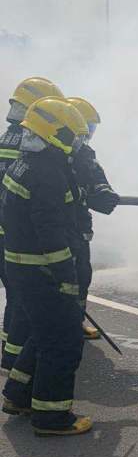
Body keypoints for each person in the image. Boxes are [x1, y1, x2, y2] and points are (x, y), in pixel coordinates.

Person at [2, 97, 92, 435]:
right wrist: (66, 277)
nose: (77, 143)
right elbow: (52, 234)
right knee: (63, 341)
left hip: (23, 269)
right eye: (72, 136)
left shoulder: (24, 162)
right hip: (42, 272)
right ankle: (52, 417)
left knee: (42, 335)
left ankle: (18, 395)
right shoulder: (48, 173)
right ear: (56, 134)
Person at [0, 77, 65, 371]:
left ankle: (10, 352)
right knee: (21, 300)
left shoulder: (8, 137)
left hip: (7, 227)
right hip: (16, 234)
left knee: (16, 297)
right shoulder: (31, 148)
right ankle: (13, 358)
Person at [66, 97, 119, 338]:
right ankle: (59, 325)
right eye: (85, 127)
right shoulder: (55, 154)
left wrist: (105, 193)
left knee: (81, 276)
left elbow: (98, 178)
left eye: (90, 129)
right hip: (58, 229)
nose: (87, 134)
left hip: (78, 228)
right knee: (60, 280)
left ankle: (74, 321)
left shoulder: (85, 153)